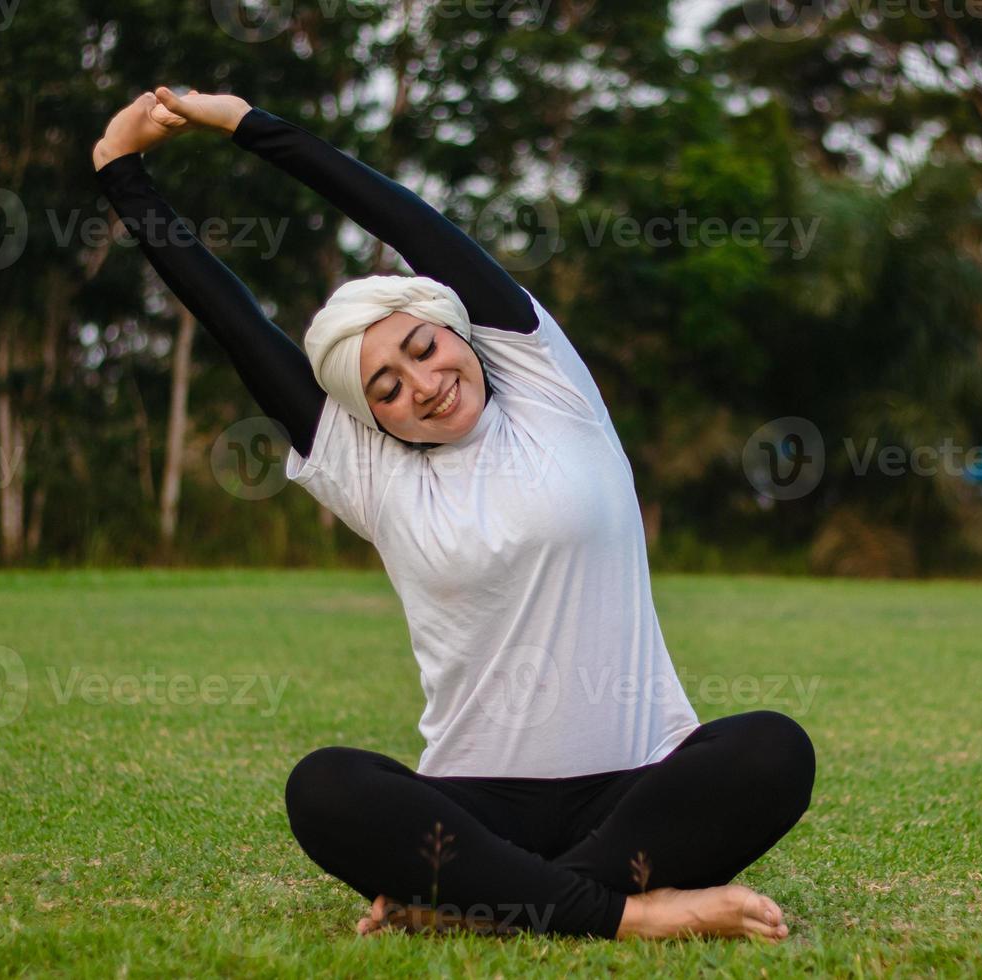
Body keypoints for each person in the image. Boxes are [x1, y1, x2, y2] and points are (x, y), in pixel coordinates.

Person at [90, 89, 816, 941]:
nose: (422, 385)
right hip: (476, 812)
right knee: (324, 787)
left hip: (637, 791)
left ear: (457, 329)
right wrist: (121, 175)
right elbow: (233, 320)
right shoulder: (370, 470)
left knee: (772, 749)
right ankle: (626, 916)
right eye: (386, 388)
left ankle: (490, 906)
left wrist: (252, 124)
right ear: (371, 417)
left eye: (422, 348)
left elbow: (401, 215)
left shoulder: (548, 384)